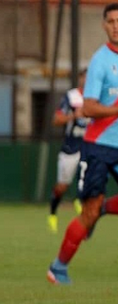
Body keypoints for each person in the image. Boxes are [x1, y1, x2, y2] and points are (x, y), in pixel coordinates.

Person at [48, 3, 118, 284]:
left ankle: (104, 208)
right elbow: (88, 108)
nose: (116, 26)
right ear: (104, 25)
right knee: (88, 212)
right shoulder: (100, 61)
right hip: (98, 146)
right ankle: (58, 268)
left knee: (97, 208)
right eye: (111, 21)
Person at [47, 69, 88, 233]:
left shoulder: (97, 97)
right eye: (84, 77)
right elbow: (56, 120)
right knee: (62, 186)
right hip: (71, 147)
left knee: (90, 175)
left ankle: (80, 199)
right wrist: (74, 116)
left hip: (89, 145)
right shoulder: (71, 97)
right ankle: (52, 213)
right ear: (80, 79)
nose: (87, 80)